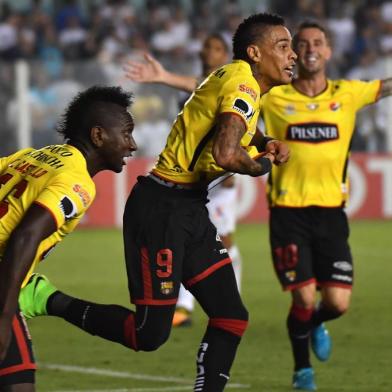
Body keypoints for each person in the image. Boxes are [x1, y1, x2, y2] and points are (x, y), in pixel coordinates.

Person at [19, 13, 294, 391]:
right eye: (283, 46)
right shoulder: (243, 84)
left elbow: (230, 126)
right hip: (161, 210)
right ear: (255, 53)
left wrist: (263, 142)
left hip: (189, 207)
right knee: (148, 335)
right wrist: (261, 164)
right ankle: (45, 297)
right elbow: (228, 153)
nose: (291, 55)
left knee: (231, 315)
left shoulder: (235, 79)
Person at [261, 20, 392, 390]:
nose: (310, 49)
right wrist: (166, 78)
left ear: (329, 50)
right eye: (300, 44)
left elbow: (385, 87)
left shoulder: (347, 93)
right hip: (288, 212)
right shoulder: (274, 96)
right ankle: (302, 371)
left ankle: (318, 321)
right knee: (302, 295)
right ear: (292, 53)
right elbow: (217, 93)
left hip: (332, 214)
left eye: (317, 42)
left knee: (336, 304)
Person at [0, 85, 137, 390]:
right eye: (126, 133)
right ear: (98, 136)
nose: (133, 145)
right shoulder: (77, 183)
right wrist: (5, 315)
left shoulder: (30, 157)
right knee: (18, 384)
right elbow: (25, 237)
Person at [124, 33, 244, 327]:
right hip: (190, 175)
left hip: (217, 176)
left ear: (226, 55)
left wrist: (232, 169)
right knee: (185, 239)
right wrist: (164, 77)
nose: (208, 52)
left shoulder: (229, 86)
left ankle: (230, 296)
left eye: (216, 48)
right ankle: (185, 306)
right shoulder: (198, 87)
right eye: (205, 46)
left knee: (224, 241)